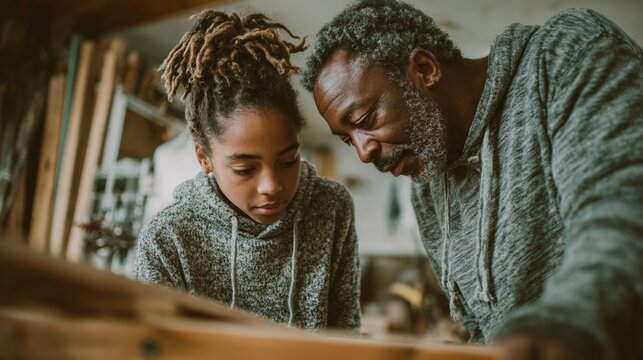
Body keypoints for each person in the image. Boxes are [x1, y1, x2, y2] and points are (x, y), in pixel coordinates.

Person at [300, 0, 642, 358]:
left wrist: (567, 321)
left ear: (425, 68)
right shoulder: (429, 191)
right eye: (346, 140)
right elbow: (483, 329)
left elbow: (620, 211)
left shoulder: (565, 54)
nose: (363, 153)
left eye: (366, 119)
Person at [135, 10, 361, 331]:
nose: (271, 186)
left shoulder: (331, 207)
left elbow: (345, 333)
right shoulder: (167, 241)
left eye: (287, 161)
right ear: (204, 158)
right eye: (244, 169)